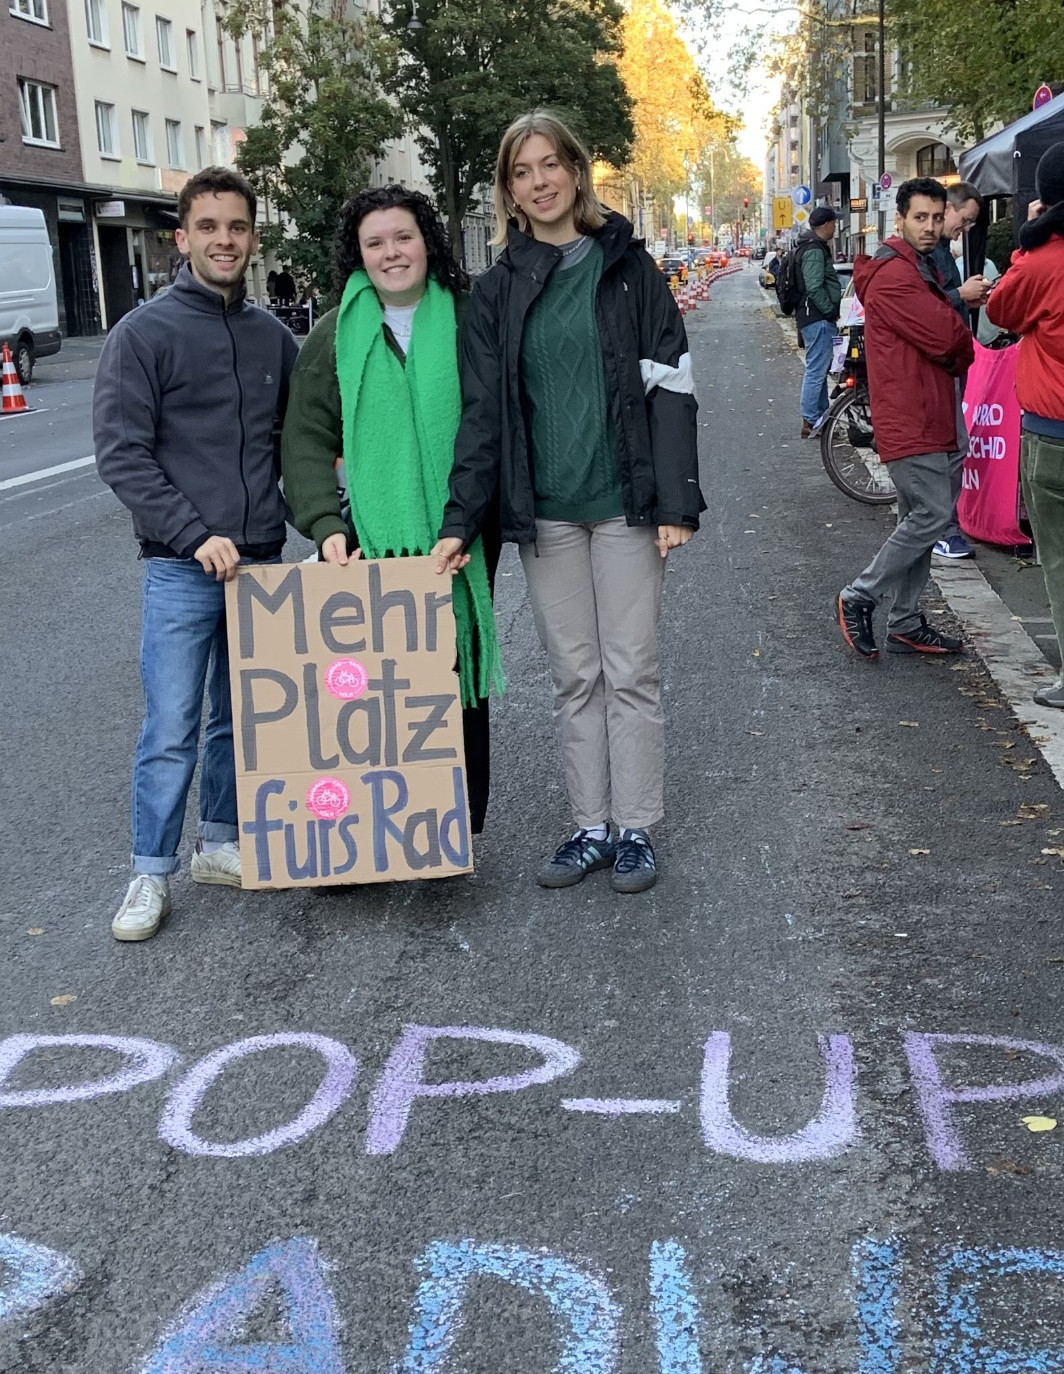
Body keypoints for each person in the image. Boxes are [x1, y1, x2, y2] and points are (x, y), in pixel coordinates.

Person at [432, 110, 703, 895]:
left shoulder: (629, 269)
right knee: (575, 674)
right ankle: (590, 826)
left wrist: (677, 501)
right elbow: (481, 415)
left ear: (578, 172)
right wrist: (459, 521)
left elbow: (671, 387)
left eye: (551, 164)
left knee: (632, 670)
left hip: (626, 502)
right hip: (546, 514)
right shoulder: (496, 288)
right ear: (509, 191)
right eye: (522, 171)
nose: (540, 181)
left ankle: (636, 830)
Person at [94, 167, 299, 941]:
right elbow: (123, 454)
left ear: (252, 237)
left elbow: (301, 446)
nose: (224, 240)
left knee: (241, 719)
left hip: (261, 561)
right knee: (173, 722)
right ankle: (149, 872)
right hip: (183, 566)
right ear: (181, 238)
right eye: (208, 227)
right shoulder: (142, 335)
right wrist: (190, 534)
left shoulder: (273, 337)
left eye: (237, 228)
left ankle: (220, 843)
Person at [280, 185, 504, 832]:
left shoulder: (466, 315)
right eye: (374, 242)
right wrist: (325, 527)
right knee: (374, 686)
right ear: (358, 253)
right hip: (370, 536)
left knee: (451, 669)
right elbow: (305, 437)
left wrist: (464, 521)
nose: (391, 253)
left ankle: (448, 824)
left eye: (402, 237)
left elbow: (487, 424)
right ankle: (375, 831)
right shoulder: (334, 335)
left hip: (461, 524)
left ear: (427, 241)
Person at [836, 177, 974, 660]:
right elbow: (948, 337)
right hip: (912, 414)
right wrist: (960, 349)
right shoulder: (896, 275)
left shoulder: (917, 266)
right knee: (933, 515)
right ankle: (860, 595)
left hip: (928, 409)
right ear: (900, 219)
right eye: (921, 217)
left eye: (938, 217)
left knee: (920, 515)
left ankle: (907, 620)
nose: (932, 227)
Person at [986, 142, 1064, 706]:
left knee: (1059, 557)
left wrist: (1029, 238)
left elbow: (1001, 311)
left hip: (1052, 433)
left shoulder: (1041, 261)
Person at [929, 181, 991, 561]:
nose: (965, 229)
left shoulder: (940, 253)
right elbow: (927, 307)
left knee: (953, 448)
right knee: (954, 448)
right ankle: (943, 529)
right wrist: (960, 296)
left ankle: (940, 526)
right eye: (964, 220)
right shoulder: (931, 254)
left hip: (952, 361)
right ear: (947, 209)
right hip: (945, 364)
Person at [796, 206, 842, 439]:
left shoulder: (811, 246)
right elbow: (814, 286)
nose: (836, 226)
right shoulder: (814, 249)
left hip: (813, 318)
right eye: (834, 223)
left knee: (819, 369)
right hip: (817, 318)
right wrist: (829, 311)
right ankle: (811, 420)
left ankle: (822, 419)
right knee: (816, 370)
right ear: (826, 225)